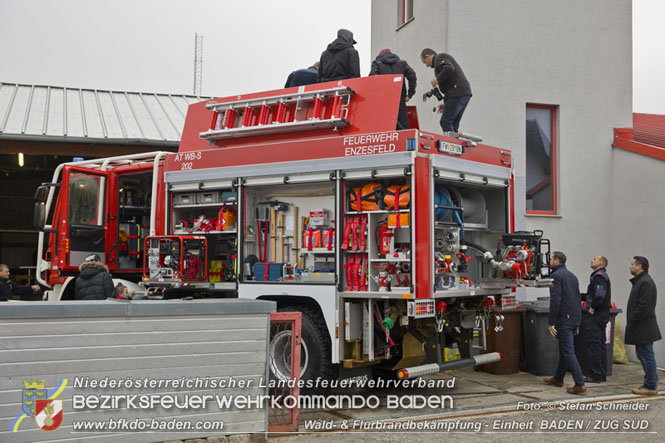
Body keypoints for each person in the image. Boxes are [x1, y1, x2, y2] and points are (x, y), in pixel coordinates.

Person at [543, 251, 587, 394]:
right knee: (564, 349)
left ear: (557, 261)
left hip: (564, 318)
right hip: (573, 317)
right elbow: (577, 298)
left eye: (550, 259)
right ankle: (558, 379)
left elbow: (555, 300)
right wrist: (577, 322)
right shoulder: (572, 276)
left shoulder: (555, 276)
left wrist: (551, 322)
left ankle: (580, 383)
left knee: (568, 351)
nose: (549, 261)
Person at [625, 256, 661, 395]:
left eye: (632, 264)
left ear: (640, 266)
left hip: (644, 327)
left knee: (646, 355)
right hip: (641, 327)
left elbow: (643, 307)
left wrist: (633, 319)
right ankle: (648, 383)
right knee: (642, 355)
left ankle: (651, 386)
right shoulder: (641, 281)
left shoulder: (644, 282)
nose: (630, 266)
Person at [420, 48, 472, 133]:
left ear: (428, 56)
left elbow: (449, 68)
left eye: (425, 62)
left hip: (457, 92)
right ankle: (456, 142)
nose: (426, 65)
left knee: (445, 122)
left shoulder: (439, 57)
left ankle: (452, 144)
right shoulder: (440, 61)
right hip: (462, 93)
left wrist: (437, 79)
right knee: (453, 124)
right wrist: (446, 103)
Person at [369, 49, 417, 130]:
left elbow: (372, 78)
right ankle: (403, 142)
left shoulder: (377, 64)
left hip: (383, 100)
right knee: (403, 127)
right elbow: (412, 76)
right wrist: (410, 94)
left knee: (385, 126)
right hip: (399, 98)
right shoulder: (402, 63)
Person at [582, 255, 612, 383]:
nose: (591, 260)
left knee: (595, 344)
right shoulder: (600, 275)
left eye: (594, 259)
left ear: (601, 263)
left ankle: (595, 375)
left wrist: (593, 306)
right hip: (603, 313)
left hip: (597, 314)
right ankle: (601, 374)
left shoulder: (598, 276)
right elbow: (592, 294)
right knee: (600, 344)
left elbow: (599, 295)